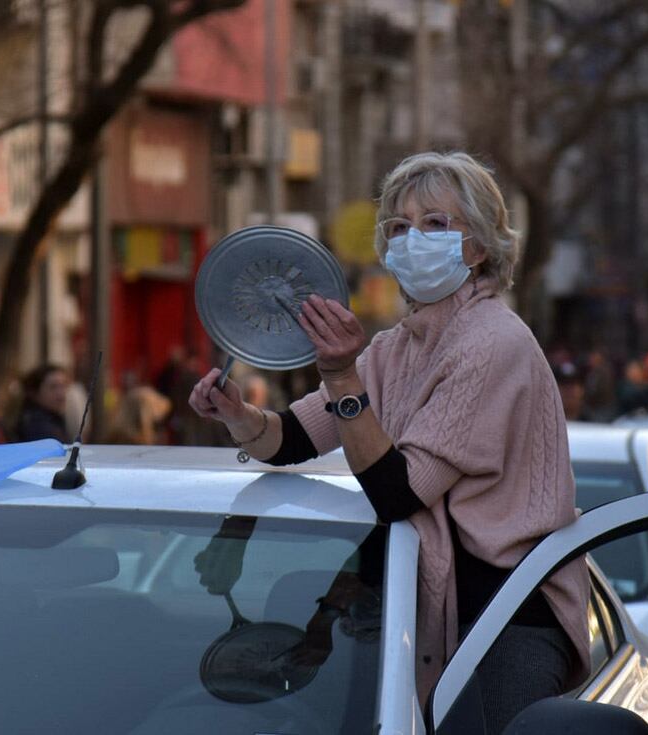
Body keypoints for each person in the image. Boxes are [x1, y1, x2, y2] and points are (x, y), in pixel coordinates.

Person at [189, 151, 589, 731]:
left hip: (505, 615)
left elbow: (396, 495)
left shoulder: (491, 343)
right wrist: (238, 416)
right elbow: (296, 438)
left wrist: (342, 376)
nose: (410, 239)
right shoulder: (398, 345)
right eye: (398, 227)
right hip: (420, 610)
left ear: (477, 248)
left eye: (434, 224)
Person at [15, 364, 71, 442]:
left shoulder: (53, 419)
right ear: (34, 392)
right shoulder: (37, 427)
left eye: (64, 386)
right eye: (53, 387)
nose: (61, 394)